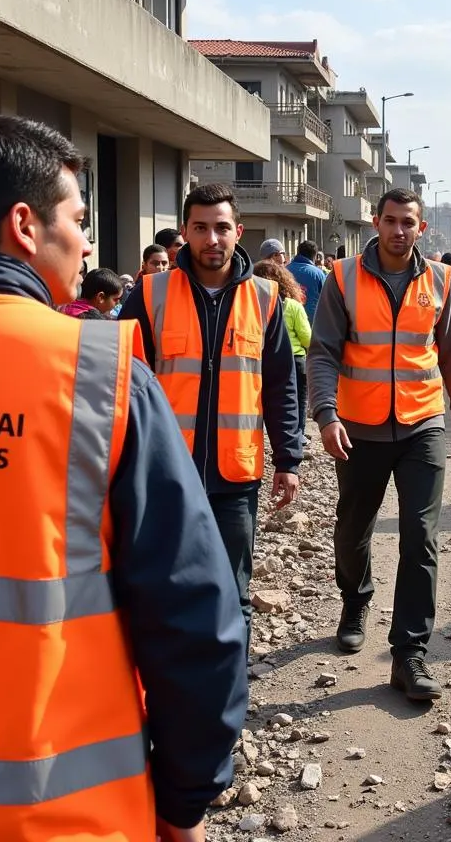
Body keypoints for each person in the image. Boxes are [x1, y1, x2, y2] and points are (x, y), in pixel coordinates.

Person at [0, 114, 247, 841]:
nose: (89, 242)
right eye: (80, 218)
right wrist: (187, 797)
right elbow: (193, 618)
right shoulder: (99, 373)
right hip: (61, 810)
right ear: (25, 226)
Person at [307, 188, 451, 702]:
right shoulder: (343, 278)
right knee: (353, 525)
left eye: (408, 222)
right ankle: (355, 598)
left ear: (420, 228)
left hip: (422, 424)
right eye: (391, 221)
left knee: (420, 535)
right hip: (359, 427)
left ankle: (409, 653)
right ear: (375, 224)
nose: (399, 230)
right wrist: (326, 413)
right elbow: (323, 353)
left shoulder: (441, 280)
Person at [120, 183, 302, 653]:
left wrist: (289, 459)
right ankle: (176, 696)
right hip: (166, 473)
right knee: (168, 588)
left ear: (237, 232)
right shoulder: (152, 292)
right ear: (185, 232)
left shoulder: (264, 298)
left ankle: (227, 699)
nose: (212, 239)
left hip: (235, 475)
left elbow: (281, 384)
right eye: (200, 228)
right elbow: (123, 380)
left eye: (221, 227)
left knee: (233, 589)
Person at [255, 260, 312, 448]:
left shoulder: (255, 306)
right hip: (295, 359)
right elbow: (307, 338)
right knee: (296, 401)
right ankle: (297, 436)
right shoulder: (293, 306)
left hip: (261, 359)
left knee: (265, 400)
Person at [59, 266, 124, 319]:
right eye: (116, 299)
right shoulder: (93, 320)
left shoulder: (63, 308)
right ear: (100, 297)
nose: (118, 303)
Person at [289, 239, 327, 321]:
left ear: (298, 252)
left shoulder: (284, 270)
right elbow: (326, 300)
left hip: (288, 322)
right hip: (311, 323)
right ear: (315, 256)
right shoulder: (318, 274)